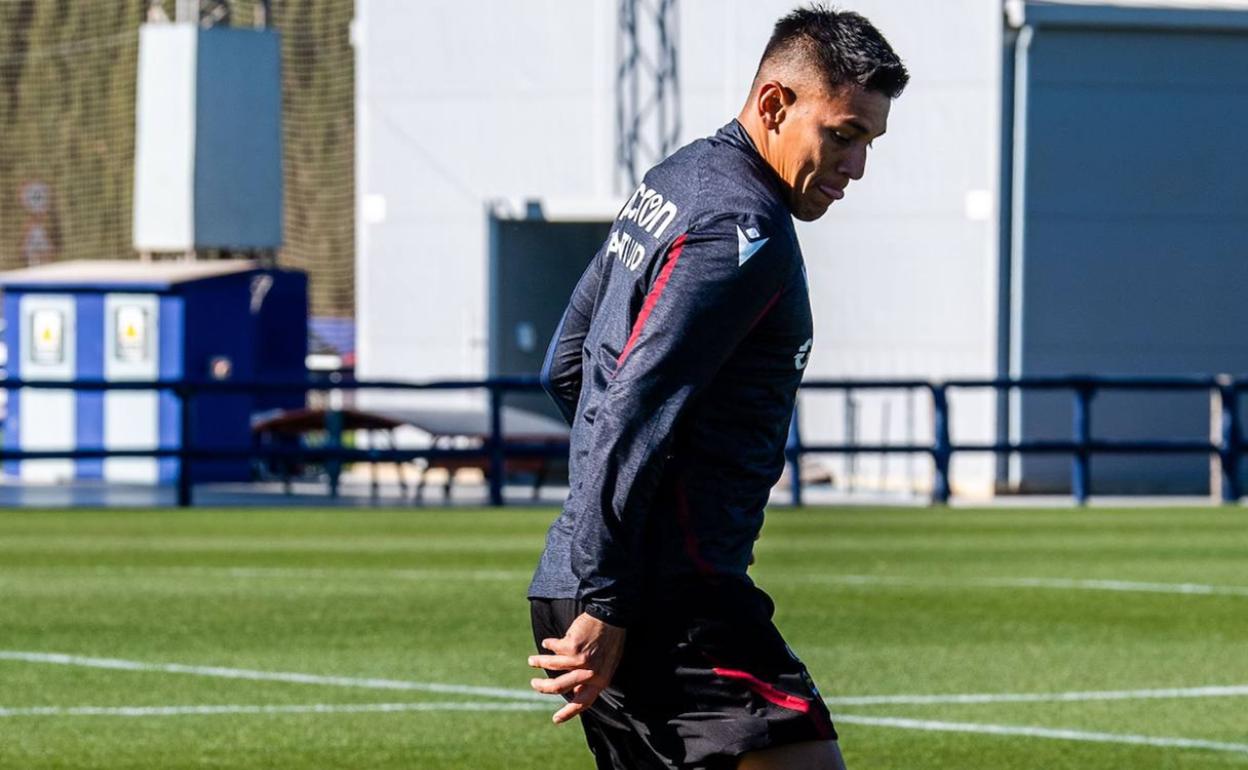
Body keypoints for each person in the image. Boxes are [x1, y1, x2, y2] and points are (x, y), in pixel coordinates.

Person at [526, 5, 908, 768]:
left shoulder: (677, 178)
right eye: (842, 135)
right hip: (666, 601)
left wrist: (602, 560)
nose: (856, 166)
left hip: (595, 576)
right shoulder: (743, 226)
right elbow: (631, 404)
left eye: (869, 141)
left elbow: (567, 364)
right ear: (774, 104)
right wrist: (613, 594)